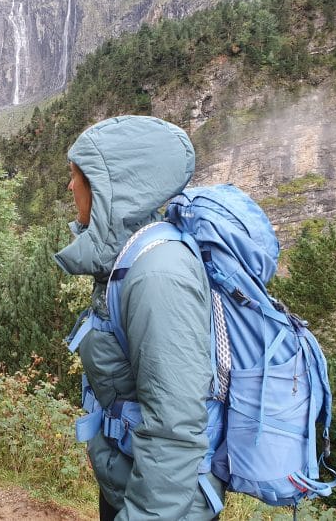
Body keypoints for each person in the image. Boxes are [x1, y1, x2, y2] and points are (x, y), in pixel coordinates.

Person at [54, 115, 225, 520]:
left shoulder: (157, 276)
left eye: (76, 175)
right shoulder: (128, 258)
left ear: (109, 188)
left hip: (166, 504)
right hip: (128, 480)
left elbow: (174, 427)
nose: (69, 186)